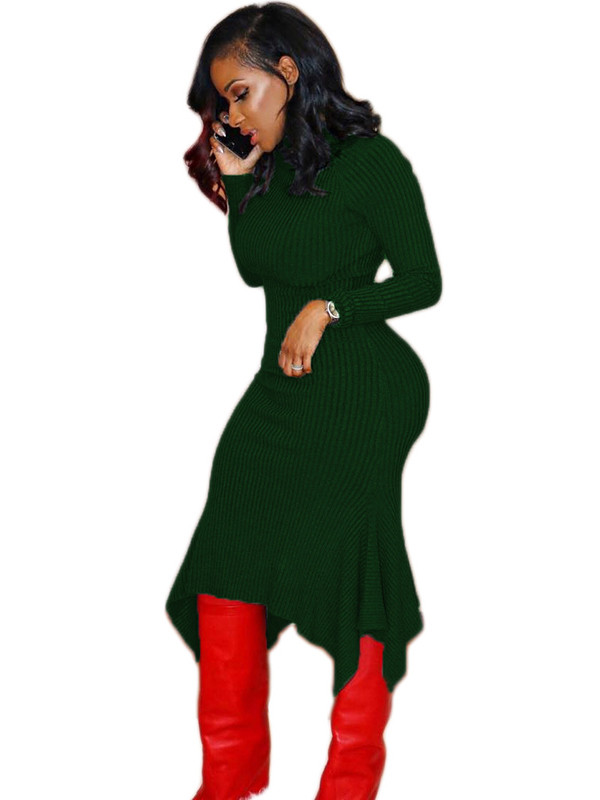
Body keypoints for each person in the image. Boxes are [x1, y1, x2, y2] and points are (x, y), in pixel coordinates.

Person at [165, 3, 443, 798]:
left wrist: (332, 308)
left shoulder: (372, 163)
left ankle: (348, 784)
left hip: (365, 384)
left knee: (352, 564)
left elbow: (424, 282)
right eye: (222, 102)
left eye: (241, 93)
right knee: (225, 556)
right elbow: (258, 269)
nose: (232, 115)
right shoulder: (266, 168)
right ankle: (228, 779)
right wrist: (239, 180)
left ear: (289, 73)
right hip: (279, 385)